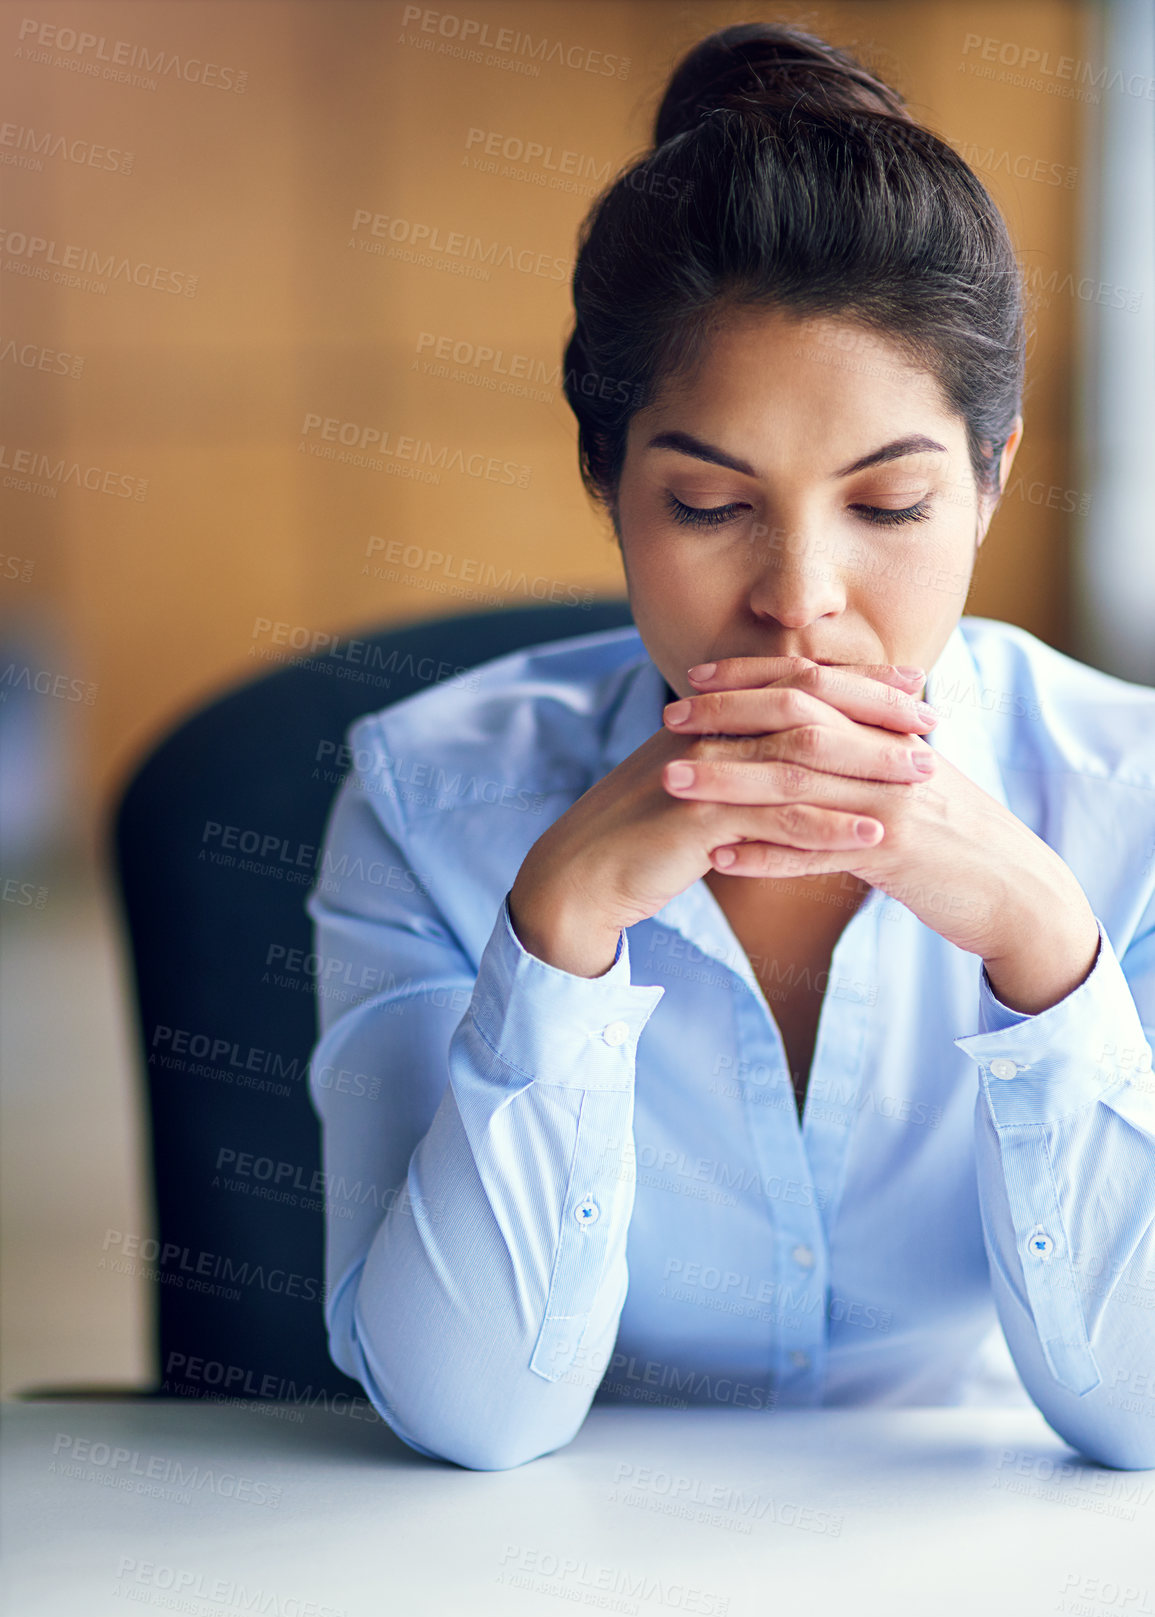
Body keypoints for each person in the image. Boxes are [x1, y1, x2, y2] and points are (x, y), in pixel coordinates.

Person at [306, 21, 1155, 1471]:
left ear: (994, 484)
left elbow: (1140, 1420)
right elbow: (467, 1415)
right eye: (709, 508)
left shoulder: (1129, 800)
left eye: (888, 508)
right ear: (608, 479)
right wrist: (556, 937)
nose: (799, 598)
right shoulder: (423, 799)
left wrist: (1040, 945)